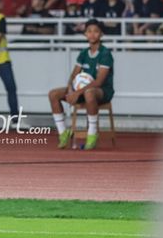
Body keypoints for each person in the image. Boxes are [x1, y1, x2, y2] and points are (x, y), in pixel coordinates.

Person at [48, 19, 115, 150]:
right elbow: (74, 75)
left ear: (101, 34)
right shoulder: (83, 53)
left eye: (96, 31)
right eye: (89, 31)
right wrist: (70, 89)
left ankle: (92, 134)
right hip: (83, 90)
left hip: (102, 91)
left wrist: (77, 93)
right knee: (53, 94)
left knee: (89, 93)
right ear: (85, 34)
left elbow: (99, 82)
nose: (92, 34)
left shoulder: (105, 54)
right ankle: (63, 133)